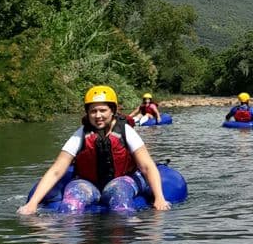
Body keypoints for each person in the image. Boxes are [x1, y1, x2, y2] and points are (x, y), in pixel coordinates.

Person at [17, 85, 171, 214]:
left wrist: (159, 198)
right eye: (93, 111)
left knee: (120, 202)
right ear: (87, 113)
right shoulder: (80, 135)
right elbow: (57, 170)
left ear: (112, 110)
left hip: (121, 180)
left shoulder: (126, 132)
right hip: (87, 183)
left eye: (103, 110)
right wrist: (32, 204)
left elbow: (146, 166)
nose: (98, 116)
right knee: (69, 206)